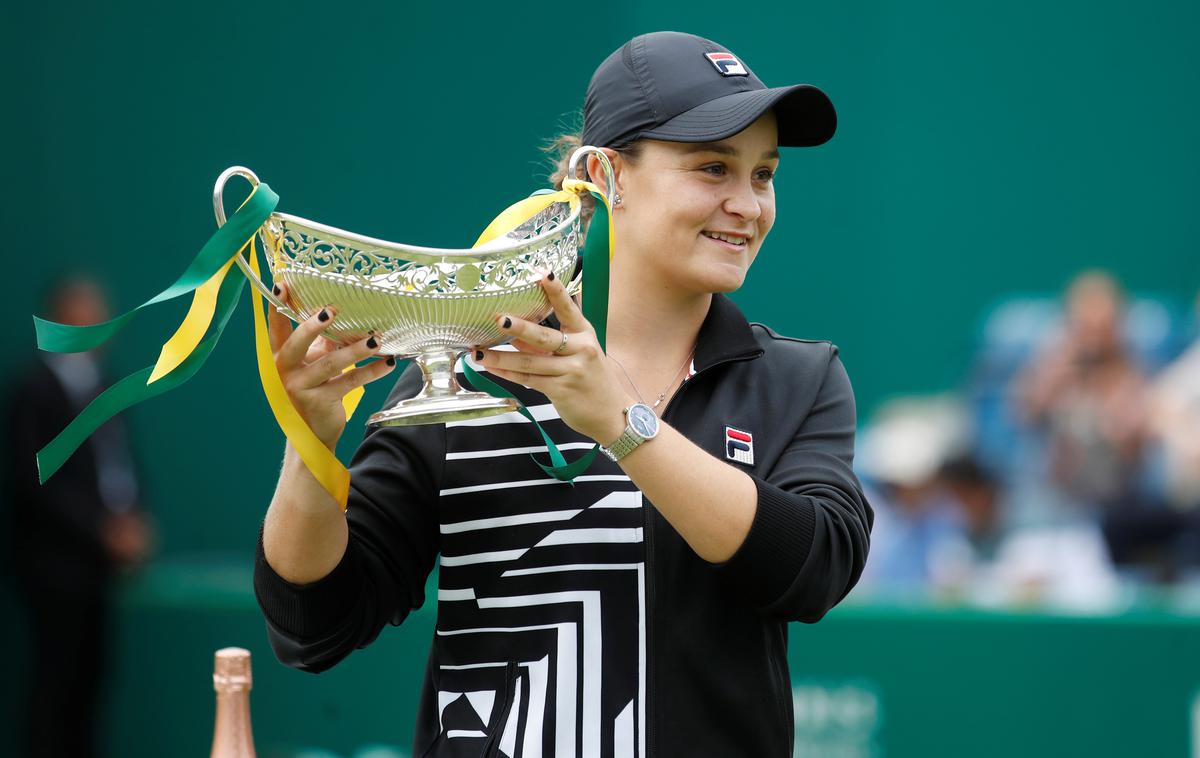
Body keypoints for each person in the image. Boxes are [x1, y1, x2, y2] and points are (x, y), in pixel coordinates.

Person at [253, 32, 873, 757]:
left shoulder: (797, 379)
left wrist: (624, 425)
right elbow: (314, 625)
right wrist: (311, 444)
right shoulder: (466, 368)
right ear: (606, 176)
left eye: (763, 175)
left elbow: (814, 571)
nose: (747, 205)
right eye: (713, 168)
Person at [5, 275, 152, 758]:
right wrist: (100, 530)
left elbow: (119, 468)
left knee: (91, 684)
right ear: (60, 318)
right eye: (88, 310)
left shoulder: (106, 384)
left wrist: (131, 522)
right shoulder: (34, 391)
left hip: (98, 573)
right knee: (56, 686)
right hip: (54, 569)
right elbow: (36, 481)